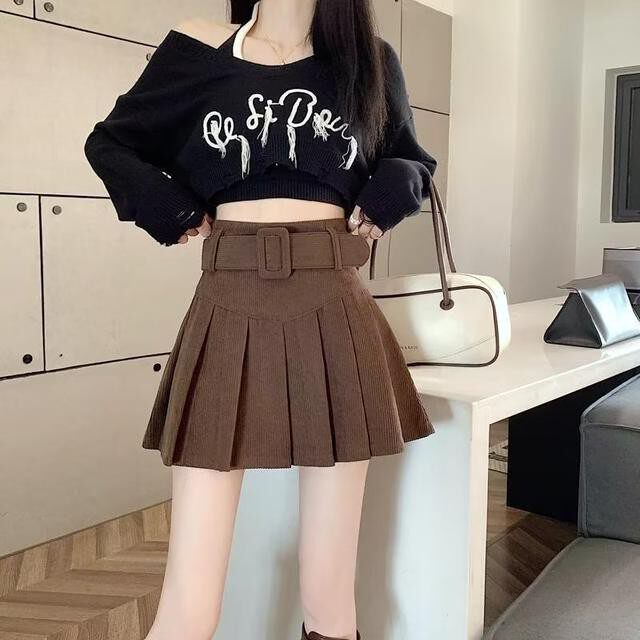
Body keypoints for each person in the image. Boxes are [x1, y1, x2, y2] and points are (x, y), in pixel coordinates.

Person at [83, 1, 438, 638]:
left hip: (335, 305)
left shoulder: (369, 60)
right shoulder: (198, 48)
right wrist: (165, 203)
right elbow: (110, 143)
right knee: (189, 598)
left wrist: (391, 190)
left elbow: (411, 157)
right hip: (228, 301)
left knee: (330, 595)